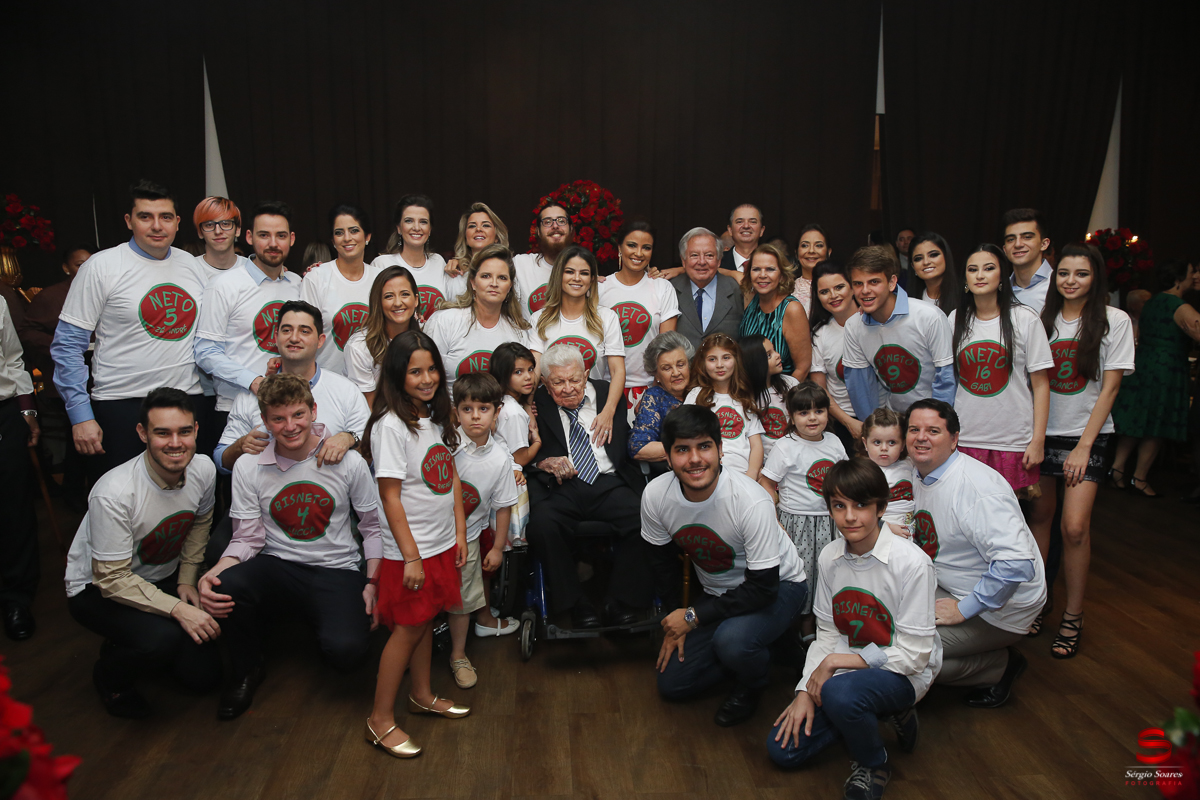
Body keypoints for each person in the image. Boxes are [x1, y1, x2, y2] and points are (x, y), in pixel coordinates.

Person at [199, 374, 383, 720]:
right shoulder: (249, 466)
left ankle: (319, 621)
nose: (290, 426)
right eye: (278, 419)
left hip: (335, 568)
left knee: (347, 654)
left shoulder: (348, 462)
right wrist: (215, 571)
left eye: (298, 414)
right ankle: (246, 669)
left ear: (314, 411)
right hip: (278, 564)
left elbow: (373, 528)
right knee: (227, 585)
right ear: (265, 421)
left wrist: (373, 583)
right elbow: (247, 537)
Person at [766, 458, 939, 800]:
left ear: (881, 508)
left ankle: (873, 762)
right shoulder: (829, 557)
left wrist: (833, 667)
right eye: (839, 505)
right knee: (783, 750)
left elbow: (915, 655)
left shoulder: (913, 563)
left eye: (861, 505)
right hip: (847, 673)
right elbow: (828, 635)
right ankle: (874, 712)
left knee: (840, 695)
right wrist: (804, 691)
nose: (849, 516)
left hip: (904, 673)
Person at [643, 405, 807, 727]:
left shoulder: (750, 500)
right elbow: (661, 564)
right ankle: (765, 648)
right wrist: (677, 617)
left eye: (704, 446)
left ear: (720, 450)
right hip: (720, 594)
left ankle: (752, 682)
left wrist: (692, 617)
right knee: (673, 684)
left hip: (780, 588)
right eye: (682, 450)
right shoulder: (655, 496)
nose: (694, 459)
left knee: (733, 642)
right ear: (667, 455)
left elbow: (762, 588)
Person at [64, 389, 220, 717]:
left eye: (184, 431)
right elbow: (112, 579)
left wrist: (188, 578)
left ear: (196, 430)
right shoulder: (114, 493)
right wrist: (178, 609)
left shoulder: (203, 469)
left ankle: (129, 641)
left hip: (160, 576)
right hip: (97, 589)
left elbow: (199, 522)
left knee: (206, 678)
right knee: (159, 641)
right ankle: (110, 679)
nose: (175, 443)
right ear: (142, 434)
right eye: (162, 433)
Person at [52, 180, 207, 484]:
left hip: (186, 400)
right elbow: (67, 346)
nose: (156, 225)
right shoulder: (101, 267)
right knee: (122, 500)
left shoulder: (192, 265)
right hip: (121, 403)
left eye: (165, 216)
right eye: (145, 216)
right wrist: (81, 415)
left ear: (177, 222)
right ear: (129, 221)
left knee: (187, 499)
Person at [362, 331, 469, 757]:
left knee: (426, 621)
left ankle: (421, 694)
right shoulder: (391, 426)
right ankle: (379, 720)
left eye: (431, 370)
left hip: (441, 544)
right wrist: (410, 556)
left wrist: (460, 533)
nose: (426, 379)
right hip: (412, 552)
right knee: (407, 630)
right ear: (396, 375)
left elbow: (451, 478)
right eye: (415, 371)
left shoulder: (433, 417)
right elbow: (389, 496)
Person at [1028, 245, 1134, 658]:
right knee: (1038, 518)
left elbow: (1110, 387)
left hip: (1087, 437)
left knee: (1073, 528)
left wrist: (1084, 446)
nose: (1071, 280)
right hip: (1042, 435)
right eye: (1064, 273)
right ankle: (1036, 603)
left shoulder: (1114, 321)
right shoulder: (1043, 321)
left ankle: (1073, 615)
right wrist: (1034, 437)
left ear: (1096, 279)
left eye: (1082, 274)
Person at [906, 399, 1046, 707]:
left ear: (955, 439)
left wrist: (965, 608)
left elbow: (1016, 564)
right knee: (886, 623)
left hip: (1002, 606)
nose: (921, 437)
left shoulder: (976, 487)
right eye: (914, 429)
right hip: (952, 583)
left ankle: (999, 667)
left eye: (933, 430)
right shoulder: (916, 472)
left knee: (907, 652)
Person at [208, 301, 370, 560]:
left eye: (304, 331)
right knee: (218, 552)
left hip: (328, 516)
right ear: (276, 337)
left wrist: (350, 437)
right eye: (286, 330)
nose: (294, 338)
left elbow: (371, 450)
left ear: (320, 341)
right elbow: (221, 461)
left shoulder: (344, 390)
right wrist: (240, 446)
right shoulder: (252, 395)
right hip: (262, 517)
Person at [525, 345, 650, 629]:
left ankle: (620, 601)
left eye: (574, 380)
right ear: (546, 383)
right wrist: (542, 463)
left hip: (608, 481)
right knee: (542, 526)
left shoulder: (607, 393)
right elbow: (520, 448)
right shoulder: (535, 401)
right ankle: (576, 603)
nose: (568, 388)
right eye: (558, 382)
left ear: (585, 375)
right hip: (562, 485)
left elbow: (628, 437)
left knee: (646, 519)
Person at [949, 245, 1053, 497]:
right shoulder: (955, 319)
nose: (980, 275)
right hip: (966, 437)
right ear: (965, 279)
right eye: (972, 270)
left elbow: (1041, 384)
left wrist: (1038, 441)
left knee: (1008, 519)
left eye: (989, 268)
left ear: (1001, 277)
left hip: (1013, 440)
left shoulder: (1025, 319)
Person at [193, 200, 303, 428]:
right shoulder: (224, 285)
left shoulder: (299, 284)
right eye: (264, 235)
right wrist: (253, 382)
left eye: (281, 236)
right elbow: (205, 352)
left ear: (291, 239)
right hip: (237, 407)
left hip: (291, 409)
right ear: (250, 237)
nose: (273, 243)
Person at [758, 382, 848, 641]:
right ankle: (803, 629)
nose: (812, 418)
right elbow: (766, 482)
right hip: (798, 523)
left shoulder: (833, 441)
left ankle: (827, 626)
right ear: (792, 416)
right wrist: (774, 517)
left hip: (830, 522)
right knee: (804, 576)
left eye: (819, 411)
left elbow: (844, 477)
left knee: (829, 572)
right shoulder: (785, 446)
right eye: (803, 412)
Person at [447, 372, 521, 686]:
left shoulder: (502, 459)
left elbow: (503, 506)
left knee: (464, 599)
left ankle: (458, 655)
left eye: (483, 409)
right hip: (433, 534)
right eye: (467, 409)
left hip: (472, 536)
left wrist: (496, 547)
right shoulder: (446, 445)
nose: (475, 416)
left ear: (496, 412)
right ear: (456, 412)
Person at [1111, 260, 1200, 496]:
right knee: (1156, 424)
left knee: (1136, 420)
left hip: (1143, 363)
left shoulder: (1151, 302)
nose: (1195, 276)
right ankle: (1139, 478)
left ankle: (1117, 469)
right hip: (1165, 369)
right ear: (1179, 278)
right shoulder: (1179, 305)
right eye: (1192, 272)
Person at [842, 245, 955, 419]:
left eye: (874, 282)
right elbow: (861, 387)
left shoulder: (928, 316)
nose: (865, 290)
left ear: (892, 282)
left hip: (931, 419)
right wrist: (874, 431)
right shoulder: (853, 326)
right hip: (892, 420)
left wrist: (935, 425)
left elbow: (945, 379)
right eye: (858, 284)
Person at [18, 244, 92, 507]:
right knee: (79, 439)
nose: (86, 269)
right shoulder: (51, 296)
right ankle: (74, 497)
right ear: (66, 267)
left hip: (102, 378)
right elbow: (27, 333)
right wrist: (62, 346)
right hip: (64, 380)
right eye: (79, 264)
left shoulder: (104, 290)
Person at [531, 246, 626, 439]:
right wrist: (527, 406)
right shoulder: (539, 319)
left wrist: (608, 411)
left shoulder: (606, 318)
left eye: (584, 273)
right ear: (559, 275)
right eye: (569, 272)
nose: (576, 278)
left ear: (592, 280)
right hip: (550, 410)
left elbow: (617, 371)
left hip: (594, 409)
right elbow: (534, 371)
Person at [424, 244, 533, 395]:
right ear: (473, 282)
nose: (494, 283)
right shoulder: (444, 321)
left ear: (509, 287)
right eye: (486, 276)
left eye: (502, 278)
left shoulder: (519, 332)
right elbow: (424, 376)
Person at [191, 197, 254, 458]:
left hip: (239, 392)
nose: (218, 231)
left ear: (238, 229)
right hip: (195, 387)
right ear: (199, 231)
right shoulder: (187, 270)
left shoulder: (253, 270)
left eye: (226, 224)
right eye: (209, 225)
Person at [598, 218, 680, 412]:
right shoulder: (600, 288)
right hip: (605, 387)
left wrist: (655, 390)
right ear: (619, 247)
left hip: (650, 387)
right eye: (631, 245)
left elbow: (666, 346)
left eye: (646, 247)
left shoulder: (662, 287)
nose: (638, 253)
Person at [1, 299, 40, 641]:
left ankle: (16, 598)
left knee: (14, 507)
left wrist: (28, 411)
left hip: (3, 413)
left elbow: (13, 359)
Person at [300, 204, 377, 374]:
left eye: (354, 230)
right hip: (329, 382)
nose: (347, 238)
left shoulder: (380, 279)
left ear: (367, 237)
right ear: (333, 240)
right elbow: (304, 336)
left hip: (374, 382)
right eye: (339, 232)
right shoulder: (316, 278)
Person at [684, 332, 765, 479]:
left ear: (736, 360)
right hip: (706, 471)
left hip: (742, 473)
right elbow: (684, 435)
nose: (720, 365)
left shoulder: (745, 399)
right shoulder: (696, 395)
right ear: (703, 363)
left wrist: (752, 474)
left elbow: (756, 445)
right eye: (712, 359)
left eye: (726, 358)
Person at [372, 194, 460, 324]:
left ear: (430, 229)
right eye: (409, 221)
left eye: (423, 222)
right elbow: (375, 314)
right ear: (399, 228)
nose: (417, 227)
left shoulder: (438, 261)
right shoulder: (381, 264)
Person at [343, 265, 421, 408]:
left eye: (404, 294)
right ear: (378, 302)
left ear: (415, 300)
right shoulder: (359, 347)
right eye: (389, 296)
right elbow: (369, 408)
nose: (398, 303)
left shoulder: (425, 338)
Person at [739, 242, 811, 380]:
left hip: (781, 394)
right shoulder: (751, 299)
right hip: (751, 391)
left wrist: (782, 399)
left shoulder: (791, 309)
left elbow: (803, 368)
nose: (762, 275)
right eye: (756, 269)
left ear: (782, 276)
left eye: (770, 269)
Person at [809, 262, 862, 449]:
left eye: (839, 287)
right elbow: (820, 388)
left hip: (885, 418)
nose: (833, 296)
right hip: (843, 423)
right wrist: (849, 423)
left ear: (853, 287)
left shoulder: (875, 322)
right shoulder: (819, 334)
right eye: (824, 291)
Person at [629, 331, 694, 473]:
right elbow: (639, 447)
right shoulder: (655, 397)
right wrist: (690, 448)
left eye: (681, 364)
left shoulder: (704, 391)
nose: (676, 373)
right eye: (667, 368)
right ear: (656, 375)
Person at [670, 227, 745, 351]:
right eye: (694, 255)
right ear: (683, 261)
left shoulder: (736, 289)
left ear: (719, 261)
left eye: (709, 255)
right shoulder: (669, 290)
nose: (702, 261)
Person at [740, 334, 799, 458]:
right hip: (764, 459)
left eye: (774, 350)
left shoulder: (791, 384)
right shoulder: (743, 395)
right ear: (754, 363)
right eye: (768, 355)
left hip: (795, 453)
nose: (778, 355)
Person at [858, 408, 915, 537]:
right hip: (880, 528)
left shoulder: (909, 463)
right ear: (865, 443)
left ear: (903, 445)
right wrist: (886, 527)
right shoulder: (862, 473)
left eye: (892, 442)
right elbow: (859, 511)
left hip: (910, 526)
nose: (884, 448)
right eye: (877, 442)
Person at [513, 202, 574, 319]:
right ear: (538, 232)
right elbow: (488, 268)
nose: (555, 226)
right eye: (547, 222)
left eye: (561, 221)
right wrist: (466, 264)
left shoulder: (582, 270)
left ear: (571, 229)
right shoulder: (520, 264)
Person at [490, 341, 542, 477]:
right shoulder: (513, 412)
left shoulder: (502, 402)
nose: (528, 377)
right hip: (510, 477)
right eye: (518, 372)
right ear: (503, 375)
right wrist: (537, 441)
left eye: (531, 369)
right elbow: (521, 458)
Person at [1002, 208, 1053, 314]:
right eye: (1011, 239)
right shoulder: (999, 290)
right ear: (1005, 249)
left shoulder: (1059, 286)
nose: (1018, 244)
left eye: (1027, 237)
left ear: (1044, 244)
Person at [445, 202, 509, 276]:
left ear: (497, 237)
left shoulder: (512, 267)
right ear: (465, 238)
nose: (478, 229)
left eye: (486, 225)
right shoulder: (454, 274)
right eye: (472, 226)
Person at [908, 232, 959, 316]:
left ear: (946, 257)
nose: (926, 262)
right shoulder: (909, 302)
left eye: (933, 255)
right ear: (913, 266)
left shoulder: (963, 296)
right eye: (918, 258)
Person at [792, 224, 833, 314]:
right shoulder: (787, 290)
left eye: (818, 245)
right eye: (805, 245)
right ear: (796, 253)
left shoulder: (840, 288)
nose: (811, 251)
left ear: (828, 252)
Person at [720, 203, 766, 277]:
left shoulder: (778, 262)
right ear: (730, 230)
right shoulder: (717, 263)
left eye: (752, 221)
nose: (746, 226)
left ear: (761, 230)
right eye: (739, 221)